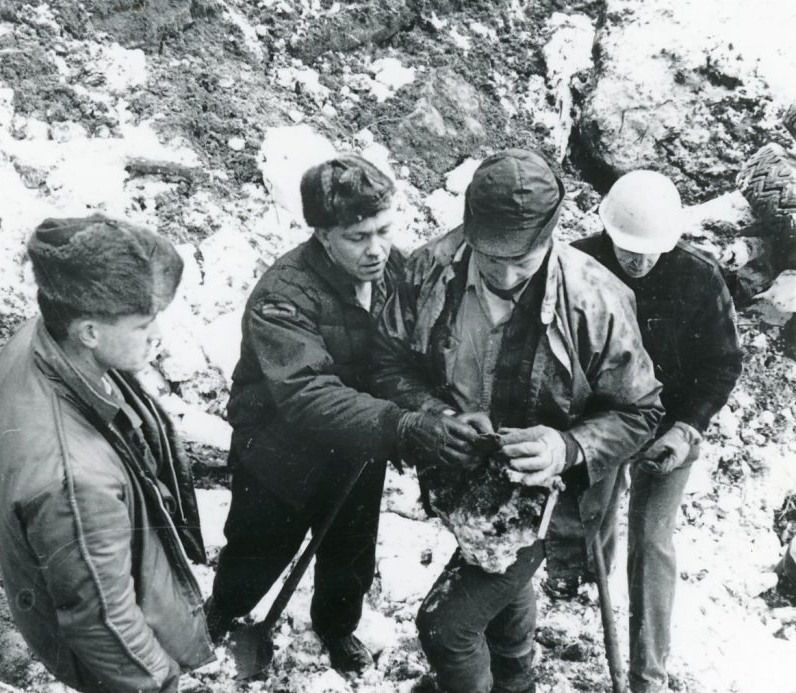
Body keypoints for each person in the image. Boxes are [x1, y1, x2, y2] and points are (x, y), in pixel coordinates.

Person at [372, 149, 664, 693]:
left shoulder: (595, 301)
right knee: (501, 588)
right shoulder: (429, 270)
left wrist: (567, 446)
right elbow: (389, 361)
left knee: (445, 626)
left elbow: (640, 411)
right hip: (463, 480)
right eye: (490, 258)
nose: (504, 275)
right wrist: (435, 416)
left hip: (551, 495)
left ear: (551, 238)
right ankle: (515, 679)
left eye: (522, 262)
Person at [206, 153, 477, 673]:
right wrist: (401, 426)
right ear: (323, 235)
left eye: (383, 230)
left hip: (360, 443)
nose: (376, 249)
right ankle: (226, 609)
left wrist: (430, 411)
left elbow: (412, 351)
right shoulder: (283, 294)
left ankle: (336, 627)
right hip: (279, 451)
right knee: (257, 546)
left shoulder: (396, 272)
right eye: (358, 237)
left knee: (351, 553)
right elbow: (307, 392)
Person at [0, 215, 213, 693]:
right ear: (89, 331)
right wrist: (165, 683)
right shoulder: (77, 482)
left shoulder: (44, 336)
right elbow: (104, 625)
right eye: (142, 325)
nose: (157, 337)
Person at [570, 170, 742, 693]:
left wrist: (688, 428)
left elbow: (722, 362)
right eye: (628, 249)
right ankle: (580, 572)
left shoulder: (698, 277)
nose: (639, 262)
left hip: (668, 428)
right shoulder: (576, 264)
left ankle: (648, 675)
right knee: (590, 516)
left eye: (650, 252)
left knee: (652, 540)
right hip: (600, 421)